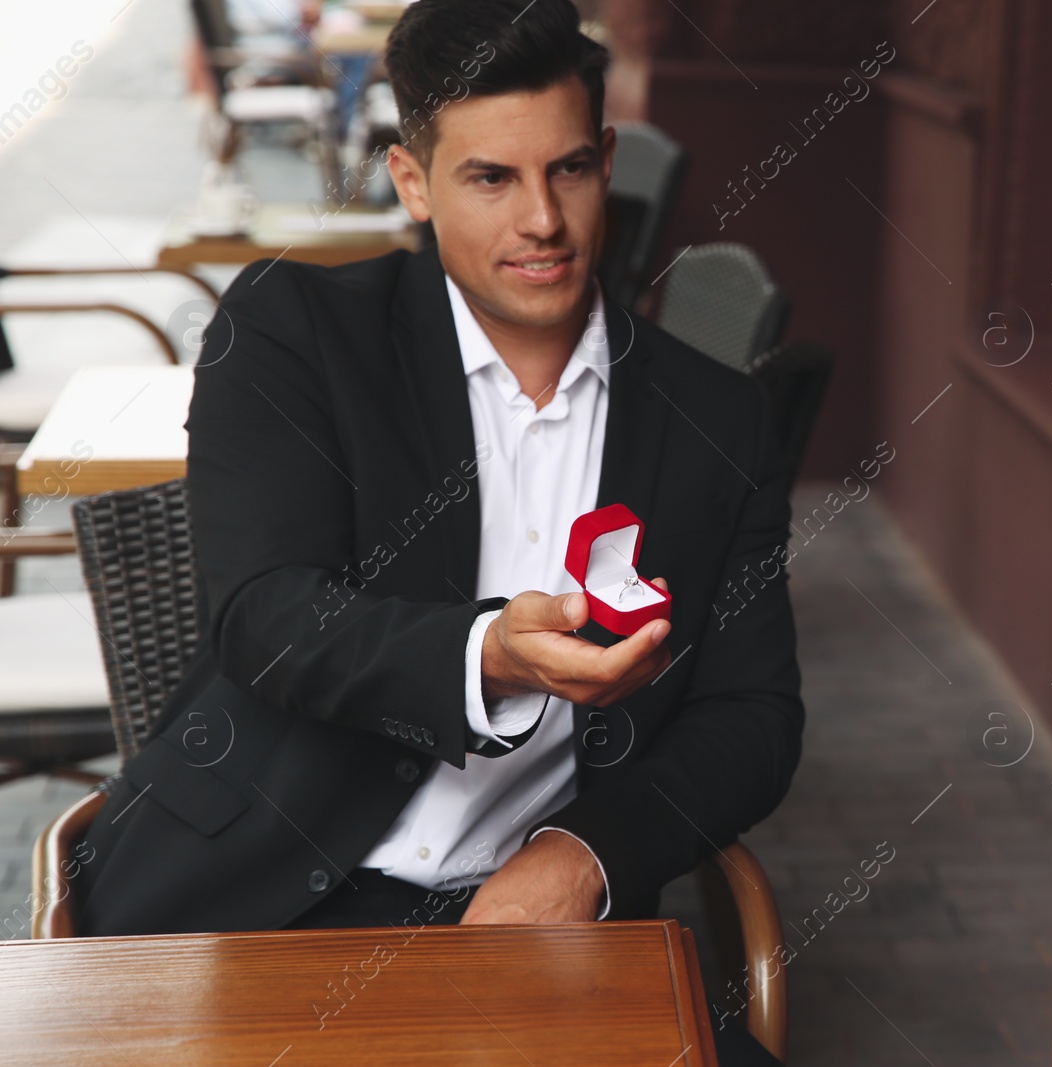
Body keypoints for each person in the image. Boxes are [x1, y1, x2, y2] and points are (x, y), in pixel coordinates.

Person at [72, 2, 798, 1063]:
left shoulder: (714, 420)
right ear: (412, 182)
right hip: (254, 902)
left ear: (607, 163)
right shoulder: (297, 334)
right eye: (489, 178)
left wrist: (586, 852)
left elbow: (754, 717)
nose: (540, 221)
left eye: (567, 171)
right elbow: (264, 615)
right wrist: (488, 654)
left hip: (530, 916)